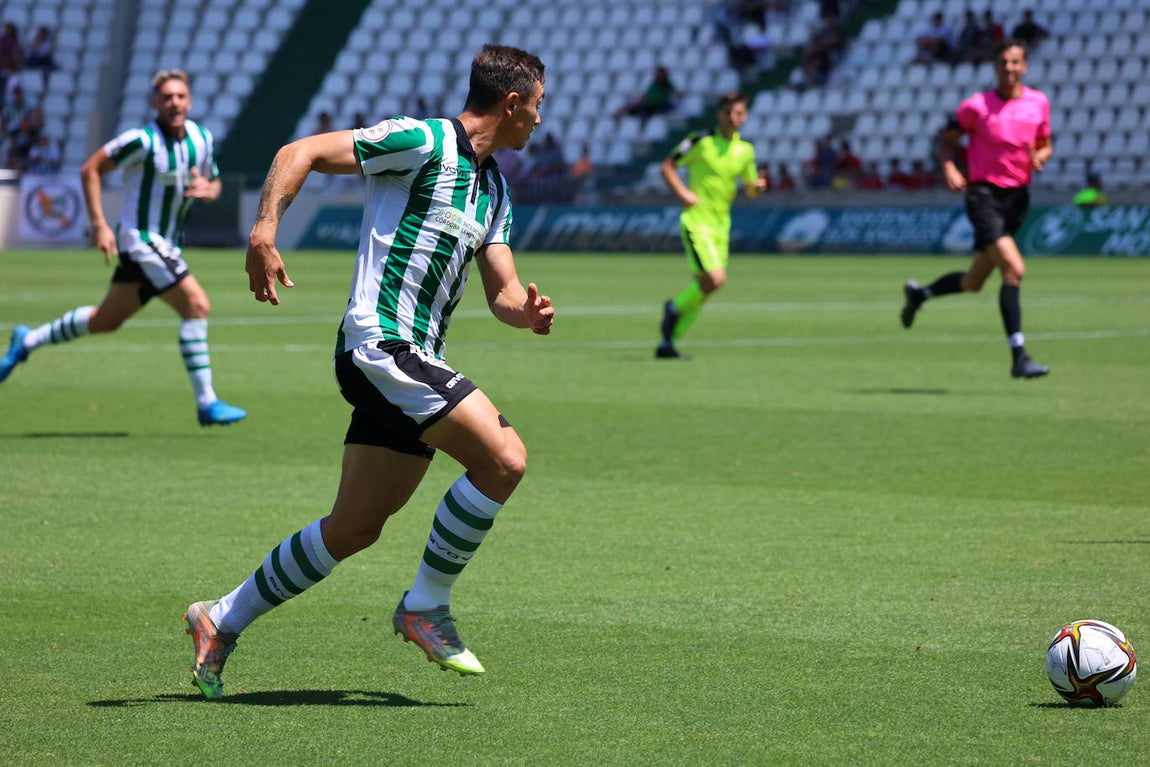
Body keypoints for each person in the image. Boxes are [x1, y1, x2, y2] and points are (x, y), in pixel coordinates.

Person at [181, 44, 554, 699]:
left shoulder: (494, 188)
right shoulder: (424, 140)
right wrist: (264, 229)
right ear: (513, 102)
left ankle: (219, 616)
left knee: (353, 528)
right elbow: (296, 153)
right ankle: (425, 605)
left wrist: (528, 313)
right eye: (539, 108)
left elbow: (502, 292)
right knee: (504, 458)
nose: (541, 124)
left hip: (411, 363)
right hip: (381, 345)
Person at [0, 69, 247, 425]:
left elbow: (215, 181)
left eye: (180, 96)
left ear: (189, 101)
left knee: (105, 320)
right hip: (142, 240)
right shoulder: (141, 141)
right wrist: (99, 225)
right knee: (196, 305)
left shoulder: (201, 139)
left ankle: (26, 340)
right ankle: (207, 403)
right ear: (154, 103)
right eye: (166, 97)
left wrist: (210, 190)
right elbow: (90, 169)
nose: (174, 102)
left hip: (167, 245)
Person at [901, 40, 1052, 379]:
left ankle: (919, 295)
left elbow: (1044, 142)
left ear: (1025, 66)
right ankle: (1019, 356)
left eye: (1015, 62)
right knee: (1013, 269)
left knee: (973, 282)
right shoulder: (976, 106)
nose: (1009, 68)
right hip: (983, 195)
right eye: (1003, 62)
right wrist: (950, 168)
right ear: (995, 66)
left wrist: (1041, 156)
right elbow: (947, 141)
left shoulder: (1038, 103)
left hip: (1018, 199)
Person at [657, 91, 767, 359]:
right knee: (715, 280)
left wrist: (757, 187)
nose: (733, 118)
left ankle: (668, 344)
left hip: (721, 227)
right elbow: (668, 166)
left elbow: (750, 188)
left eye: (738, 113)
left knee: (704, 288)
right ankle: (673, 308)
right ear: (719, 114)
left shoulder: (745, 151)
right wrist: (683, 193)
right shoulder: (700, 141)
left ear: (745, 115)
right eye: (728, 112)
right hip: (697, 222)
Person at [614, 66, 680, 121]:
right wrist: (640, 102)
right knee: (631, 107)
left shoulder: (668, 85)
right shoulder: (654, 84)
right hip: (648, 105)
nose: (658, 76)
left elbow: (675, 93)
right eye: (658, 75)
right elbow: (646, 94)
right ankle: (618, 115)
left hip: (658, 106)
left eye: (660, 75)